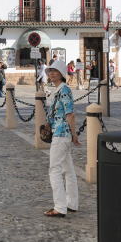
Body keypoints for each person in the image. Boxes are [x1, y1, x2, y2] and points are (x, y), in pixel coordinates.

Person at [42, 60, 80, 217]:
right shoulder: (57, 90)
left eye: (55, 71)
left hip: (61, 134)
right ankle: (72, 203)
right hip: (59, 133)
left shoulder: (64, 90)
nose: (51, 73)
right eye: (50, 71)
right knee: (68, 170)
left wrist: (74, 134)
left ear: (62, 73)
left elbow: (69, 113)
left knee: (54, 170)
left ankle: (60, 207)